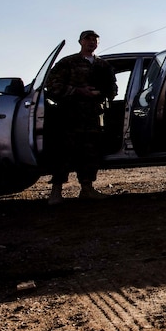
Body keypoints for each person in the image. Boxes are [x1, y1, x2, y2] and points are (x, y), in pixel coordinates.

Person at [44, 30, 118, 205]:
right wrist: (77, 91)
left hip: (93, 115)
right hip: (70, 115)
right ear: (80, 42)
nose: (91, 42)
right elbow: (52, 84)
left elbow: (113, 88)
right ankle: (56, 192)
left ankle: (87, 189)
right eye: (88, 39)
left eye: (95, 40)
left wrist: (101, 93)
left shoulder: (103, 66)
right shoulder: (68, 63)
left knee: (90, 153)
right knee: (64, 152)